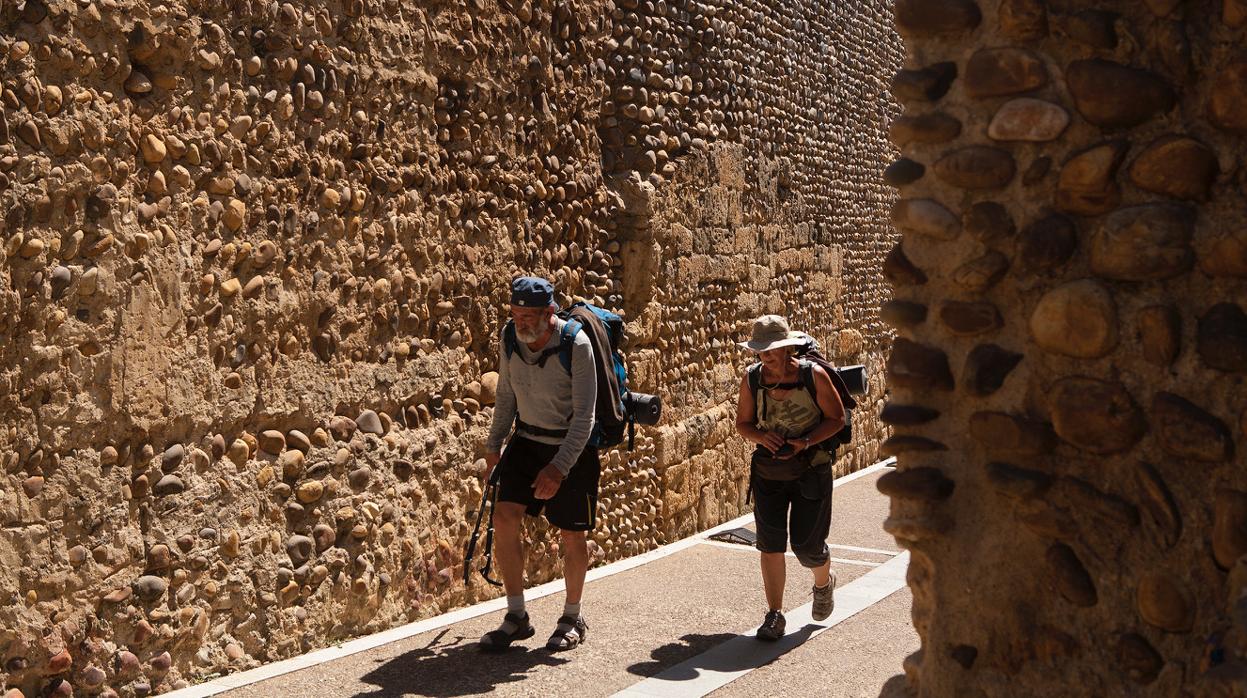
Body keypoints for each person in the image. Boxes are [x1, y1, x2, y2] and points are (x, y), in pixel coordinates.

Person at [479, 276, 599, 652]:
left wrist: (559, 467)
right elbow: (505, 394)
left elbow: (585, 419)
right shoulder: (510, 338)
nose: (521, 323)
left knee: (571, 534)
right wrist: (493, 445)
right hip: (527, 442)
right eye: (515, 314)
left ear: (550, 312)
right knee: (504, 517)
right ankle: (517, 617)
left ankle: (572, 616)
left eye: (529, 316)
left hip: (571, 449)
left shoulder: (576, 345)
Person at [735, 314, 846, 641]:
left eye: (771, 349)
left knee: (806, 546)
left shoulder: (814, 376)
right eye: (760, 350)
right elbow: (743, 424)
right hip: (769, 470)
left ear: (786, 349)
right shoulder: (752, 379)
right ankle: (774, 614)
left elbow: (837, 418)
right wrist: (760, 437)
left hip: (812, 468)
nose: (765, 355)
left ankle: (824, 582)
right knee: (770, 544)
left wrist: (806, 441)